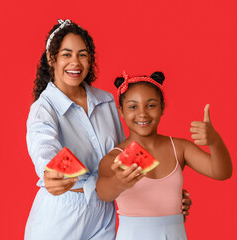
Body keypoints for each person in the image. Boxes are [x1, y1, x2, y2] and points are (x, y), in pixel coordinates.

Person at [25, 20, 192, 240]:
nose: (75, 62)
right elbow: (44, 148)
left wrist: (164, 193)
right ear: (51, 58)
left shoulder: (105, 101)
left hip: (106, 215)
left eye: (82, 54)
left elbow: (126, 158)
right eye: (66, 54)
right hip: (61, 216)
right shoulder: (43, 109)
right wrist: (51, 173)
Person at [96, 71, 233, 240]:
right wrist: (119, 181)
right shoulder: (114, 158)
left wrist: (215, 142)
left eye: (151, 105)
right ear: (121, 111)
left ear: (162, 107)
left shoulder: (180, 148)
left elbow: (221, 172)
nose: (142, 113)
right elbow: (102, 193)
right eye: (133, 106)